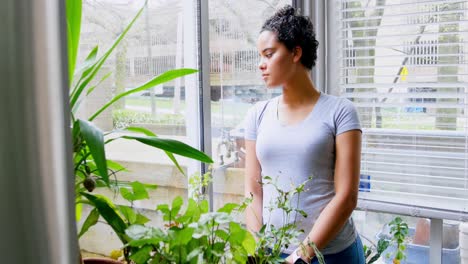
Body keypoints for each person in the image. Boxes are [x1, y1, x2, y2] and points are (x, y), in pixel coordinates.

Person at [244, 5, 364, 264]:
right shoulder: (257, 114)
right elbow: (253, 193)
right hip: (273, 252)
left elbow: (347, 197)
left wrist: (301, 255)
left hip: (332, 255)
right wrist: (257, 248)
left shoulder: (340, 111)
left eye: (269, 54)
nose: (261, 64)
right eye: (260, 56)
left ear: (296, 52)